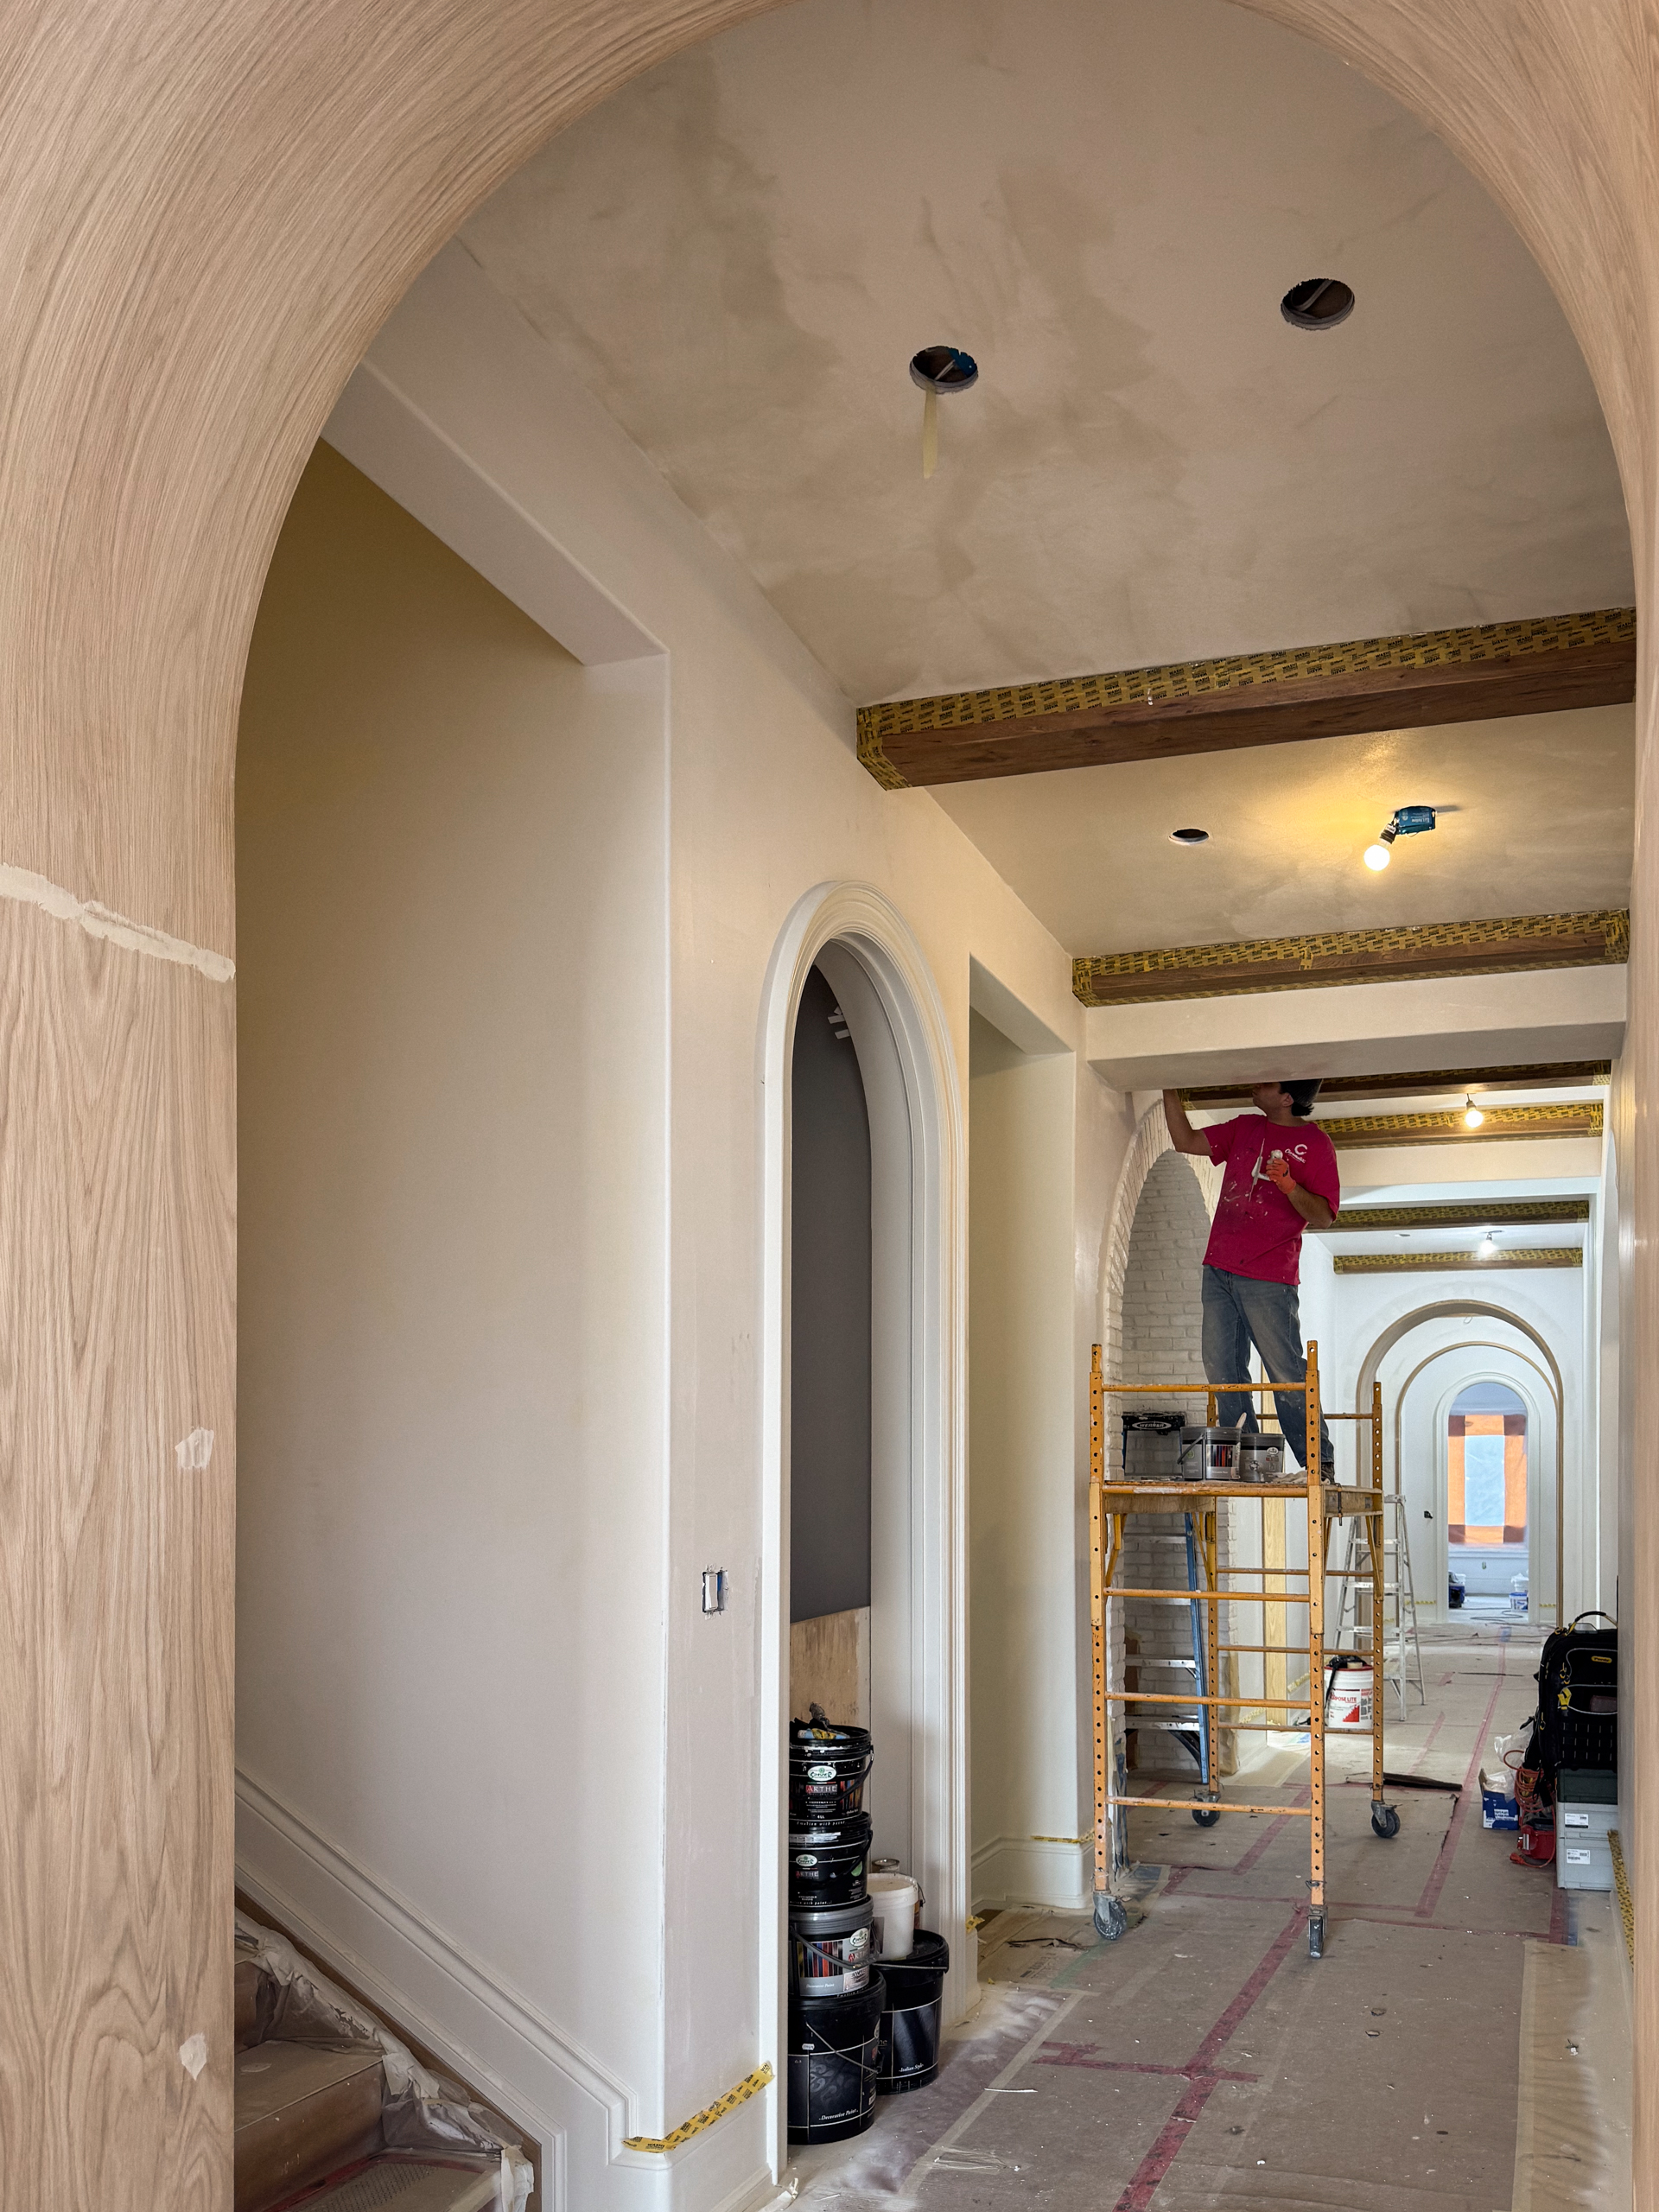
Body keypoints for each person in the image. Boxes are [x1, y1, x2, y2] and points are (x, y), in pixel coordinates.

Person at [1162, 1080, 1338, 1472]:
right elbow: (1184, 1140)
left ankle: (1319, 1465)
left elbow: (1324, 1216)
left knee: (1285, 1371)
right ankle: (1243, 1460)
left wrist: (1289, 1185)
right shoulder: (1245, 1127)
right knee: (1221, 1367)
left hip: (1269, 1275)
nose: (1257, 1085)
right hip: (1219, 1266)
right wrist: (1168, 1086)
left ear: (1288, 1098)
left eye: (1269, 1084)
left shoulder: (1316, 1144)